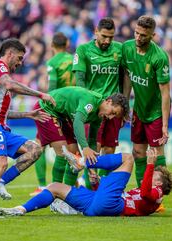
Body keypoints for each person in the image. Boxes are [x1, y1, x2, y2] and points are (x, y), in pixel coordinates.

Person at [0, 86, 129, 200]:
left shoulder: (99, 115)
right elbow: (77, 123)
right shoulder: (91, 102)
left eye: (114, 116)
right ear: (108, 101)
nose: (110, 117)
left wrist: (92, 168)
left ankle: (66, 197)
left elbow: (93, 141)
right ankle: (55, 197)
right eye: (113, 112)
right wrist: (85, 148)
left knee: (75, 154)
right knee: (62, 151)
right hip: (46, 109)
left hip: (61, 115)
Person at [0, 38, 54, 218]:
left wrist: (28, 115)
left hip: (0, 126)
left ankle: (1, 181)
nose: (20, 62)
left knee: (35, 150)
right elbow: (10, 84)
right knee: (0, 162)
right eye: (18, 58)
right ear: (9, 54)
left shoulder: (3, 80)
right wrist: (41, 94)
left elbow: (4, 112)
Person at [0, 146, 172, 217]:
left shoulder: (157, 195)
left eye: (154, 178)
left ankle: (81, 162)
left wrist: (151, 165)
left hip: (111, 206)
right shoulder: (143, 192)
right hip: (96, 206)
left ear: (160, 184)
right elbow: (115, 194)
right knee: (54, 187)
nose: (149, 179)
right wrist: (96, 183)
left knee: (128, 158)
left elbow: (144, 193)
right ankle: (20, 209)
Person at [72, 17, 123, 187]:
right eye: (104, 36)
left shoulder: (120, 50)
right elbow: (79, 82)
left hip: (113, 109)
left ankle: (99, 186)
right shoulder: (83, 50)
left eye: (111, 37)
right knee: (94, 148)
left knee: (109, 150)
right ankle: (89, 188)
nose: (107, 40)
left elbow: (124, 78)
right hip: (94, 110)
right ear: (95, 31)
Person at [122, 15, 171, 188]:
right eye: (136, 33)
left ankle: (158, 195)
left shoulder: (159, 57)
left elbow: (166, 93)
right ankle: (142, 191)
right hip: (138, 111)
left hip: (155, 113)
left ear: (153, 35)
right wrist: (125, 106)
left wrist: (165, 124)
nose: (138, 37)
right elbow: (127, 76)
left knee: (156, 154)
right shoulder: (127, 48)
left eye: (143, 35)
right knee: (137, 152)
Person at [31, 32, 76, 196]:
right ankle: (71, 186)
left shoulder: (52, 62)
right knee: (71, 148)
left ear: (52, 46)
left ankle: (43, 186)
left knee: (39, 146)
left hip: (54, 106)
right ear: (67, 45)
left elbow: (53, 85)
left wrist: (50, 101)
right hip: (71, 106)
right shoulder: (74, 60)